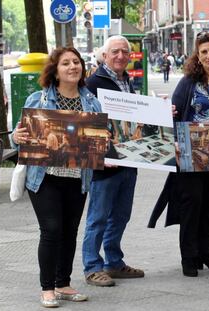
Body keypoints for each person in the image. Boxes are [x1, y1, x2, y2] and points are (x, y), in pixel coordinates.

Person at [11, 47, 101, 308]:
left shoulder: (92, 103)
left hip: (78, 176)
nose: (73, 66)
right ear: (55, 70)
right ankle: (47, 288)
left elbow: (100, 139)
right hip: (44, 177)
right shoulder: (37, 100)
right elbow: (18, 136)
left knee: (70, 231)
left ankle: (63, 284)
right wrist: (16, 138)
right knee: (51, 230)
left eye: (76, 62)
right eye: (66, 63)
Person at [152, 31, 209, 277]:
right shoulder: (188, 83)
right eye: (204, 52)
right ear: (197, 56)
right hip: (190, 155)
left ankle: (205, 253)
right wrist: (174, 146)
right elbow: (175, 115)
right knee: (192, 205)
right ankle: (188, 258)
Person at [82, 35, 144, 287]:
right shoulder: (93, 82)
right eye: (115, 52)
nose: (120, 56)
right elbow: (86, 121)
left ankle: (114, 262)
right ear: (104, 56)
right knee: (98, 216)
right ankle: (92, 266)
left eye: (124, 52)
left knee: (120, 215)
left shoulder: (126, 80)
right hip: (105, 163)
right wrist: (97, 155)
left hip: (129, 158)